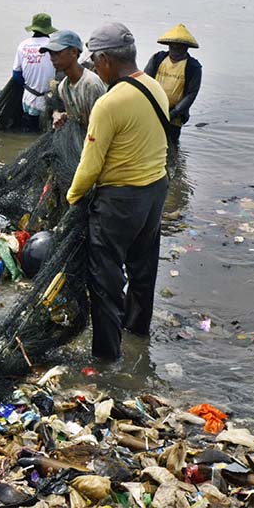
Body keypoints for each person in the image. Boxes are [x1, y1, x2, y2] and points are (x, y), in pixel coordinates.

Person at [66, 23, 170, 361]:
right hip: (155, 191)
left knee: (105, 281)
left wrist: (72, 198)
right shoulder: (154, 86)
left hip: (120, 202)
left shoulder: (109, 104)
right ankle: (138, 332)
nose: (95, 69)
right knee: (143, 270)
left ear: (107, 60)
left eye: (96, 61)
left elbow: (90, 165)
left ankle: (106, 357)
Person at [144, 23, 202, 142]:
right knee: (148, 141)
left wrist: (173, 113)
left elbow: (191, 94)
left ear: (186, 47)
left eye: (179, 46)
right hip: (153, 110)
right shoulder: (157, 59)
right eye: (173, 45)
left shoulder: (193, 67)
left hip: (175, 117)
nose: (176, 48)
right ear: (169, 45)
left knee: (171, 143)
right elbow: (145, 81)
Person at [38, 29, 106, 130]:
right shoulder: (63, 87)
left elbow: (102, 123)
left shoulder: (91, 84)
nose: (52, 58)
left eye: (57, 53)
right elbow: (78, 118)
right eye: (51, 54)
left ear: (74, 52)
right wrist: (64, 116)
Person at [12, 13, 57, 131]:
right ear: (49, 29)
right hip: (49, 100)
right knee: (45, 131)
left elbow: (16, 75)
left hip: (28, 98)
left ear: (33, 28)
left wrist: (28, 86)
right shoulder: (55, 45)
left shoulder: (23, 45)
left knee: (30, 129)